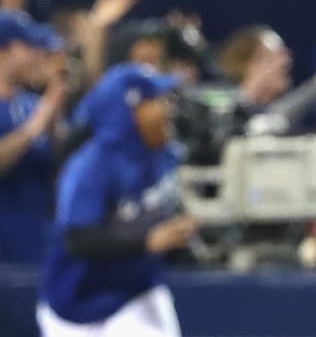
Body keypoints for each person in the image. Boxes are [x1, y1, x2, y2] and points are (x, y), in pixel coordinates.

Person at [37, 64, 197, 337]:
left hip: (136, 293)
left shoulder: (164, 155)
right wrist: (147, 241)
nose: (167, 108)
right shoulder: (91, 165)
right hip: (74, 301)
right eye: (156, 100)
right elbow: (79, 239)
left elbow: (165, 218)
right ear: (130, 109)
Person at [0, 10, 65, 264]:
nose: (37, 55)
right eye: (28, 47)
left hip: (39, 242)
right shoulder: (37, 112)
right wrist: (36, 125)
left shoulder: (32, 104)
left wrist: (55, 127)